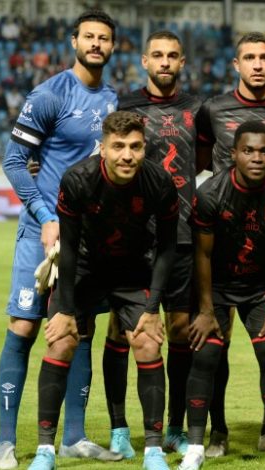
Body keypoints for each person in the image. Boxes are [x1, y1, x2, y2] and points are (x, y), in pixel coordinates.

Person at [0, 9, 118, 470]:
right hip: (42, 232)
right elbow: (14, 161)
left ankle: (74, 437)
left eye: (104, 38)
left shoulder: (113, 98)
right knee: (24, 327)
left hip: (88, 239)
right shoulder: (49, 94)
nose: (96, 44)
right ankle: (6, 443)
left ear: (112, 46)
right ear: (74, 41)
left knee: (80, 330)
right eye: (89, 36)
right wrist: (45, 216)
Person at [27, 111, 178, 470]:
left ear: (145, 148)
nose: (127, 155)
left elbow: (167, 248)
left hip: (132, 270)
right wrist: (65, 311)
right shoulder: (78, 178)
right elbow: (68, 247)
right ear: (104, 149)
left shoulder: (159, 181)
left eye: (135, 147)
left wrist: (152, 309)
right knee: (61, 342)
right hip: (84, 268)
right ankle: (46, 451)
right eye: (119, 146)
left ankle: (153, 451)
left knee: (147, 342)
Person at [195, 31, 265, 457]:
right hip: (223, 236)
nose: (258, 64)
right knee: (212, 351)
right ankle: (217, 432)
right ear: (236, 64)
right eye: (250, 57)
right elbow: (199, 158)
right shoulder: (213, 109)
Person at [179, 121, 265, 470]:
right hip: (216, 287)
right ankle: (196, 447)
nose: (257, 158)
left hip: (260, 286)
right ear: (233, 154)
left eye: (264, 151)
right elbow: (202, 255)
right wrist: (206, 311)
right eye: (248, 151)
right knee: (205, 355)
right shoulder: (210, 193)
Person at [103, 30, 203, 460]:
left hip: (181, 235)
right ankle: (119, 427)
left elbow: (209, 157)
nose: (165, 62)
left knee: (179, 329)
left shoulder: (198, 109)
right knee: (121, 329)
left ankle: (175, 426)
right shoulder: (125, 107)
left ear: (182, 62)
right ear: (144, 61)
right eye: (157, 55)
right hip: (131, 238)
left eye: (172, 56)